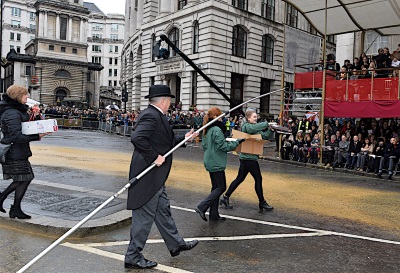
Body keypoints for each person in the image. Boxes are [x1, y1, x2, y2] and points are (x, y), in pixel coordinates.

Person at [125, 85, 198, 269]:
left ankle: (176, 243)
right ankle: (133, 255)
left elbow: (165, 140)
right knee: (144, 217)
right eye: (170, 101)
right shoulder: (151, 115)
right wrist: (154, 157)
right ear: (164, 100)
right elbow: (137, 138)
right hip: (148, 176)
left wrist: (185, 138)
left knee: (163, 210)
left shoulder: (156, 115)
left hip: (155, 177)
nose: (170, 104)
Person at [0, 85, 49, 219]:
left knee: (24, 178)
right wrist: (37, 137)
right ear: (17, 96)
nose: (27, 97)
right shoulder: (11, 113)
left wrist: (36, 114)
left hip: (18, 151)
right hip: (13, 152)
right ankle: (6, 201)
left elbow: (28, 126)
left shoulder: (17, 111)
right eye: (25, 95)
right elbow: (16, 136)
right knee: (24, 178)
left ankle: (15, 208)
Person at [220, 109, 274, 212]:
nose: (256, 118)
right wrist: (267, 123)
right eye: (254, 117)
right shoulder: (246, 126)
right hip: (249, 158)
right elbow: (251, 129)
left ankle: (225, 197)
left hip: (248, 158)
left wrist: (270, 130)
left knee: (239, 179)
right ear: (248, 118)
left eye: (256, 116)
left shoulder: (255, 128)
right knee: (258, 179)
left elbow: (264, 136)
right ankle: (262, 202)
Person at [195, 107, 242, 222]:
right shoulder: (216, 129)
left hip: (210, 160)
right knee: (221, 187)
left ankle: (214, 214)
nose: (223, 117)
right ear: (216, 117)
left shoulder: (208, 128)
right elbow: (223, 147)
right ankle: (202, 206)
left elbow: (209, 145)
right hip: (216, 162)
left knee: (215, 187)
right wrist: (237, 142)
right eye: (220, 115)